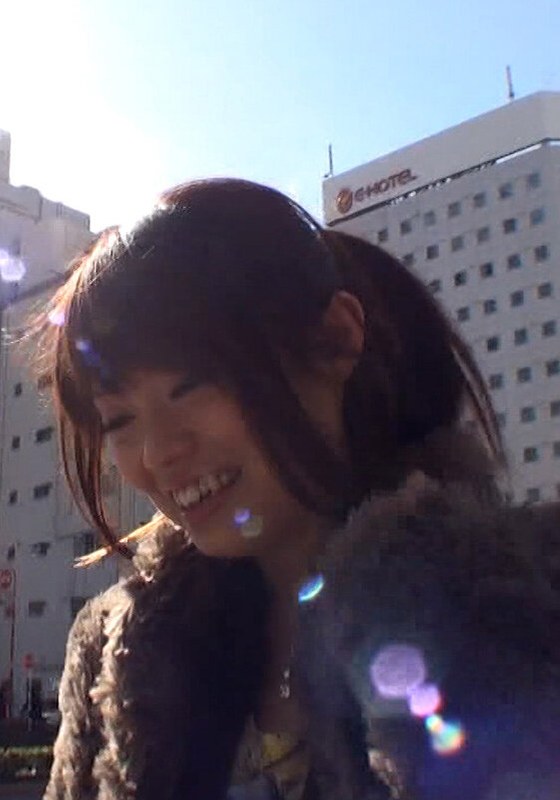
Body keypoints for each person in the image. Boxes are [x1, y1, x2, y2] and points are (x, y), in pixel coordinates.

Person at [38, 179, 560, 800]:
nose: (158, 452)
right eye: (119, 419)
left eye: (192, 385)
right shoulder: (115, 660)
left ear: (336, 339)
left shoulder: (525, 606)